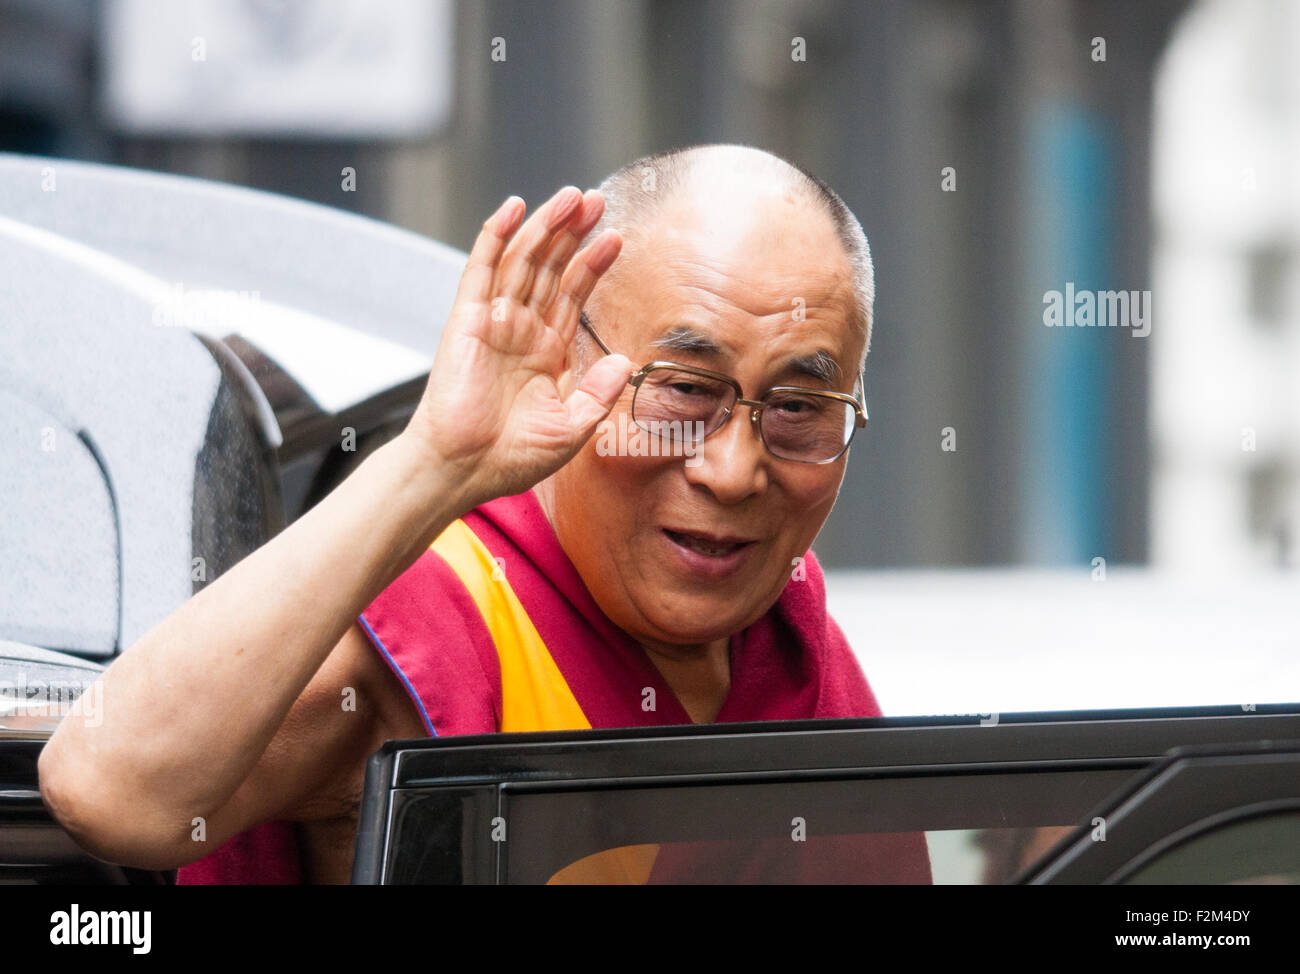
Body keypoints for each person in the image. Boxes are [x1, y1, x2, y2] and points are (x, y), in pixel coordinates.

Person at [38, 143, 932, 884]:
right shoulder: (451, 624)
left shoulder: (790, 642)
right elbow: (106, 792)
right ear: (568, 364)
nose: (735, 472)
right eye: (682, 391)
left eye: (798, 408)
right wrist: (436, 462)